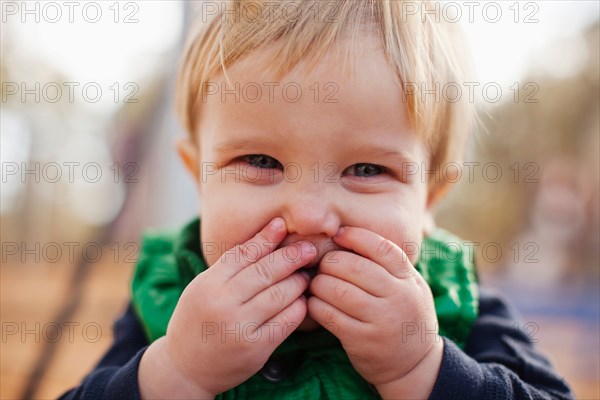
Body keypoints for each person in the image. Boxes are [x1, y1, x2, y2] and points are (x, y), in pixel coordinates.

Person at [60, 1, 574, 398]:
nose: (308, 216)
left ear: (429, 200)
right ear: (200, 178)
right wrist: (175, 373)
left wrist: (422, 369)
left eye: (367, 169)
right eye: (261, 162)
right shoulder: (168, 295)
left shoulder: (456, 304)